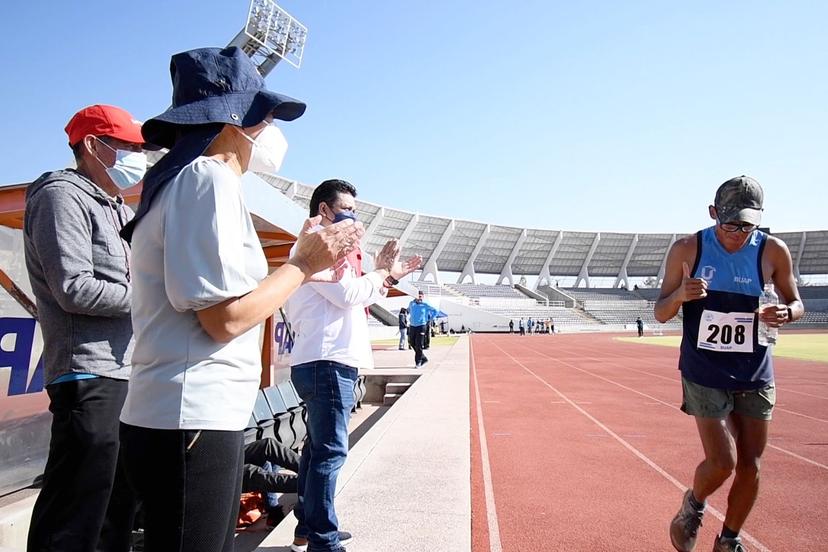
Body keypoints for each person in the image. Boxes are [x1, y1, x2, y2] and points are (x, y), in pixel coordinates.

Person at [117, 47, 363, 552]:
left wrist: (300, 259)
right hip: (192, 414)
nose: (270, 127)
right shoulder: (207, 180)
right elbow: (224, 318)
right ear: (236, 119)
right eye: (265, 114)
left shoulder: (186, 182)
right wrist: (302, 264)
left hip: (184, 413)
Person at [655, 176, 803, 552]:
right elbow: (659, 312)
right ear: (712, 214)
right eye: (731, 223)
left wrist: (787, 312)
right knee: (723, 461)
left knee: (751, 465)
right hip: (704, 370)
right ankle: (694, 505)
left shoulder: (772, 251)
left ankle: (729, 540)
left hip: (754, 370)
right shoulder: (688, 249)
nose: (739, 232)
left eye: (747, 224)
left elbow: (797, 303)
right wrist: (680, 296)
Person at [23, 104, 143, 552]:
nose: (139, 156)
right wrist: (155, 302)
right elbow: (73, 288)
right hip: (87, 375)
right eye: (129, 147)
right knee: (76, 514)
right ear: (93, 146)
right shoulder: (61, 196)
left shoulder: (115, 206)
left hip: (123, 371)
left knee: (117, 510)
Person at [286, 179, 422, 552]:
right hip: (326, 361)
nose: (354, 217)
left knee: (317, 450)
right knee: (329, 452)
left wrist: (386, 276)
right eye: (346, 208)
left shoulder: (327, 250)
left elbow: (355, 294)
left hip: (327, 359)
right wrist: (381, 273)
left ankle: (309, 528)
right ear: (325, 211)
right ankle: (323, 541)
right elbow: (348, 294)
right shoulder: (318, 247)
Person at [408, 291, 439, 367]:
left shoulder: (425, 305)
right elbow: (409, 310)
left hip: (421, 326)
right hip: (412, 326)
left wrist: (430, 319)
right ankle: (423, 358)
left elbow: (435, 311)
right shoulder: (411, 303)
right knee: (411, 342)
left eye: (420, 296)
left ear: (423, 297)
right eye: (418, 296)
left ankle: (418, 362)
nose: (419, 297)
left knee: (419, 344)